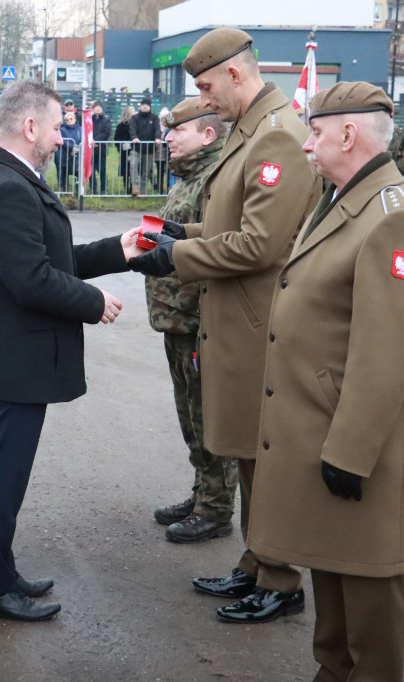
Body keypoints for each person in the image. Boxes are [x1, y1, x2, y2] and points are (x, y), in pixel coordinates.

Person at [248, 81, 404, 681]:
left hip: (356, 448)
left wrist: (351, 454)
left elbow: (388, 355)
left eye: (316, 132)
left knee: (368, 602)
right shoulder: (343, 199)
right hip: (322, 432)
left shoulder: (394, 221)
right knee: (331, 582)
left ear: (349, 134)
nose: (307, 145)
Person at [127, 28, 319, 624]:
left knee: (265, 457)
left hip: (259, 323)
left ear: (237, 74)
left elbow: (261, 245)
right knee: (246, 453)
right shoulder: (252, 131)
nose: (204, 99)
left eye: (208, 86)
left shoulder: (278, 137)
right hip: (235, 317)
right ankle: (257, 564)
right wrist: (179, 236)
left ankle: (280, 581)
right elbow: (227, 221)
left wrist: (176, 257)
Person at [0, 78, 136, 621]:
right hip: (17, 359)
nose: (63, 138)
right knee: (2, 476)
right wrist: (93, 301)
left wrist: (120, 249)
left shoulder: (9, 176)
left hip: (15, 356)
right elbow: (32, 279)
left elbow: (52, 256)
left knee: (5, 475)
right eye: (59, 127)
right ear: (30, 126)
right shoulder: (9, 186)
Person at [146, 98, 238, 544]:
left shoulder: (215, 179)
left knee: (209, 417)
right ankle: (203, 492)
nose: (168, 138)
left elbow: (220, 248)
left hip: (199, 318)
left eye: (176, 131)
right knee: (190, 415)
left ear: (206, 134)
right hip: (177, 318)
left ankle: (217, 508)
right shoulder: (190, 175)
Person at [129, 97, 161, 196]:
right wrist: (134, 137)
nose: (145, 107)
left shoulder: (154, 118)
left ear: (150, 107)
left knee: (146, 170)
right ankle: (135, 187)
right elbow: (132, 129)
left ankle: (143, 191)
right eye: (143, 105)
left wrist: (157, 138)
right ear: (140, 106)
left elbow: (157, 129)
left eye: (147, 105)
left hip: (149, 149)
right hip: (136, 148)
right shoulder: (135, 118)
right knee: (133, 165)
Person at [90, 101, 111, 194]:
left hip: (101, 149)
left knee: (102, 170)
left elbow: (107, 132)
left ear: (102, 109)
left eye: (99, 107)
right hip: (91, 150)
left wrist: (96, 140)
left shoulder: (106, 120)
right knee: (91, 171)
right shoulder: (90, 119)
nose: (98, 108)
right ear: (93, 109)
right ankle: (93, 189)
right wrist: (91, 141)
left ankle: (103, 189)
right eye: (96, 107)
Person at [56, 110, 80, 191]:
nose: (69, 121)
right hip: (65, 154)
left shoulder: (79, 129)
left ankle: (78, 189)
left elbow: (82, 140)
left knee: (77, 171)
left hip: (77, 154)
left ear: (75, 119)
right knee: (64, 171)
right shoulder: (62, 130)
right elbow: (63, 140)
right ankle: (64, 189)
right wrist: (71, 147)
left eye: (71, 119)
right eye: (67, 120)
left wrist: (78, 148)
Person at [114, 105, 135, 193]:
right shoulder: (121, 125)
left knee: (133, 170)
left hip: (133, 149)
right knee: (126, 170)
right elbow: (117, 138)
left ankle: (132, 187)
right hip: (125, 150)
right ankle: (127, 188)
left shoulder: (135, 124)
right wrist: (121, 147)